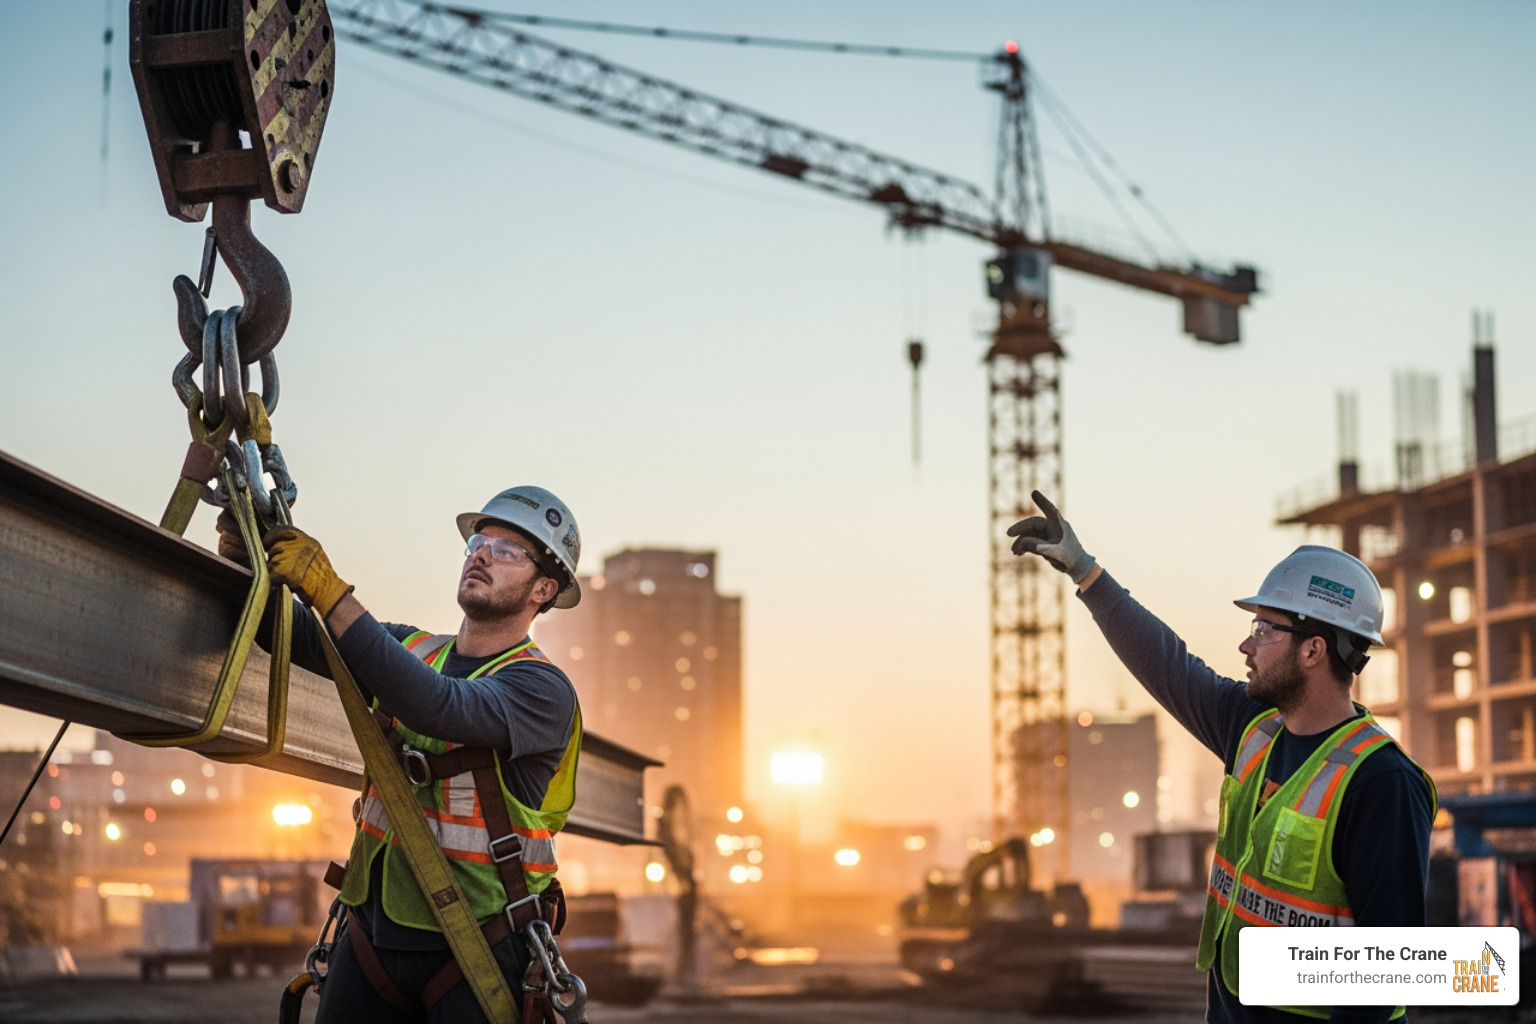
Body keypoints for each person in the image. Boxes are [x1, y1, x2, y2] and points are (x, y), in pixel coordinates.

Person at [1008, 491, 1435, 1024]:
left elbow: (1383, 981)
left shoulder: (1381, 782)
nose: (1246, 647)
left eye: (1264, 630)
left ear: (1313, 650)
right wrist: (1086, 572)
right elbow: (1168, 665)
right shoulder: (1252, 731)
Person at [219, 486, 585, 1024]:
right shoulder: (412, 652)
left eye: (507, 551)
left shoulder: (542, 689)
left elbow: (436, 706)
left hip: (479, 943)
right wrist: (245, 556)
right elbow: (282, 632)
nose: (482, 553)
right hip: (372, 935)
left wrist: (331, 592)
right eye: (480, 542)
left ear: (544, 589)